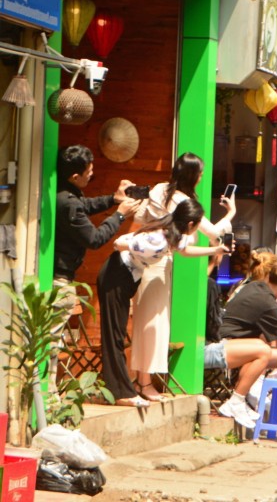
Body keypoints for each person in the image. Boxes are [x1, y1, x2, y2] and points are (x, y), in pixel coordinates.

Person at [99, 199, 228, 407]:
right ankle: (122, 392)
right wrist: (136, 249)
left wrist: (215, 251)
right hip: (116, 275)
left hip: (124, 277)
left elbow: (186, 250)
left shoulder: (171, 233)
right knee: (114, 335)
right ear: (190, 225)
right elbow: (118, 243)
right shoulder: (159, 238)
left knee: (117, 333)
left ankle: (122, 390)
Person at [129, 152, 236, 402]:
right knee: (154, 325)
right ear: (193, 175)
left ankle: (141, 381)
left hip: (146, 264)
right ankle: (144, 383)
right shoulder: (180, 201)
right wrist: (230, 214)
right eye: (199, 173)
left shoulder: (159, 191)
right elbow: (213, 233)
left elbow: (138, 219)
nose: (201, 177)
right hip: (158, 266)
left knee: (149, 324)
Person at [209, 258, 277, 429]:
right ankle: (241, 402)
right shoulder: (268, 302)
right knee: (267, 351)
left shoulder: (255, 287)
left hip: (234, 345)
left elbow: (269, 324)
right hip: (221, 346)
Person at [54, 145, 141, 299]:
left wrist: (113, 199)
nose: (92, 174)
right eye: (88, 172)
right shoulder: (68, 203)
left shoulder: (61, 191)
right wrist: (120, 215)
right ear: (75, 177)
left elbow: (84, 204)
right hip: (60, 279)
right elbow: (94, 239)